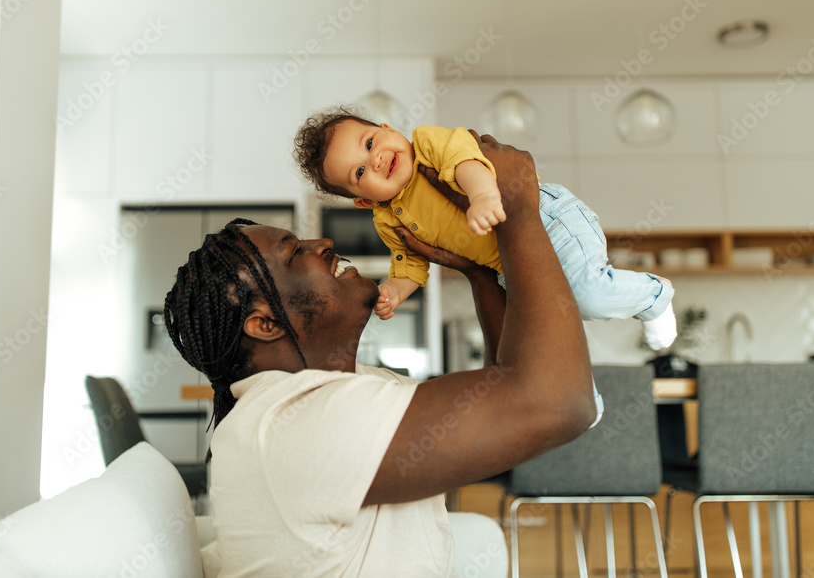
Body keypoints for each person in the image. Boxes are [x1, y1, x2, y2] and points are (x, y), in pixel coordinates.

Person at [164, 133, 597, 577]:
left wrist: (479, 271)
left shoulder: (340, 392)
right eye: (296, 253)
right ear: (266, 324)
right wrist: (518, 210)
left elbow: (501, 408)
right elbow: (556, 402)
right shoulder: (297, 419)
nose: (323, 244)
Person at [292, 106, 677, 351]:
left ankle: (653, 295)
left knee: (589, 295)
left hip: (548, 220)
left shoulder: (426, 142)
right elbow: (410, 265)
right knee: (546, 331)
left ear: (389, 128)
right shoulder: (388, 219)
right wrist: (393, 291)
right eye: (359, 172)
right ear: (365, 201)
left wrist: (483, 197)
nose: (374, 160)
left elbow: (466, 160)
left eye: (370, 141)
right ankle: (582, 402)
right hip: (510, 264)